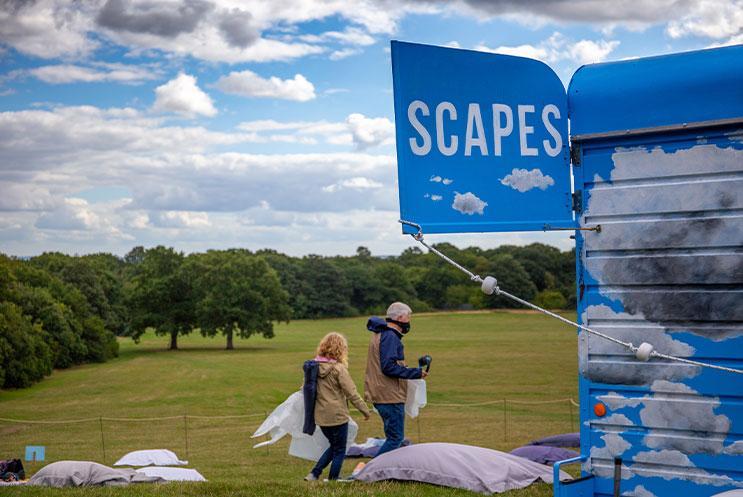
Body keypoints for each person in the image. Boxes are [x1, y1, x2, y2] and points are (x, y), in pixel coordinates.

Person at [364, 302, 428, 457]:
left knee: (393, 438)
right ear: (400, 317)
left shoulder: (382, 333)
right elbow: (388, 367)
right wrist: (415, 373)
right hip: (389, 396)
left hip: (383, 394)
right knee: (395, 438)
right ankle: (372, 472)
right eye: (408, 317)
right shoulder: (390, 336)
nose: (409, 321)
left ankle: (386, 471)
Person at [305, 332, 371, 481]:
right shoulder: (339, 369)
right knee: (340, 449)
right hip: (337, 416)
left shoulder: (313, 368)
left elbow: (305, 389)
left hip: (320, 417)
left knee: (334, 445)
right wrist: (365, 411)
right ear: (340, 349)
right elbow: (352, 393)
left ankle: (314, 473)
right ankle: (333, 478)